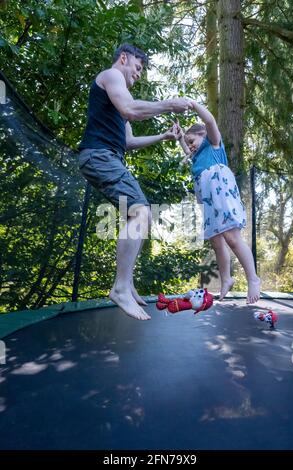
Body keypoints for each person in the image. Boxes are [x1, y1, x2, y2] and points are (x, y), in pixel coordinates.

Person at [78, 44, 193, 320]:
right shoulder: (112, 76)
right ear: (124, 58)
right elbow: (130, 110)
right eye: (138, 68)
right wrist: (168, 105)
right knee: (141, 211)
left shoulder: (120, 96)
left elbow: (128, 141)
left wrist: (163, 137)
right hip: (99, 156)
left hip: (108, 157)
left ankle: (127, 284)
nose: (138, 74)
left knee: (143, 215)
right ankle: (119, 288)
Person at [175, 101, 260, 303]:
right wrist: (180, 138)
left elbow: (210, 120)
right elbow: (188, 152)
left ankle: (253, 278)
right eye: (187, 144)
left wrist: (194, 105)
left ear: (202, 134)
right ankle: (226, 279)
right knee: (216, 242)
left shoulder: (213, 144)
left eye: (191, 140)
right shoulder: (196, 157)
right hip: (208, 201)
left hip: (222, 195)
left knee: (231, 237)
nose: (190, 146)